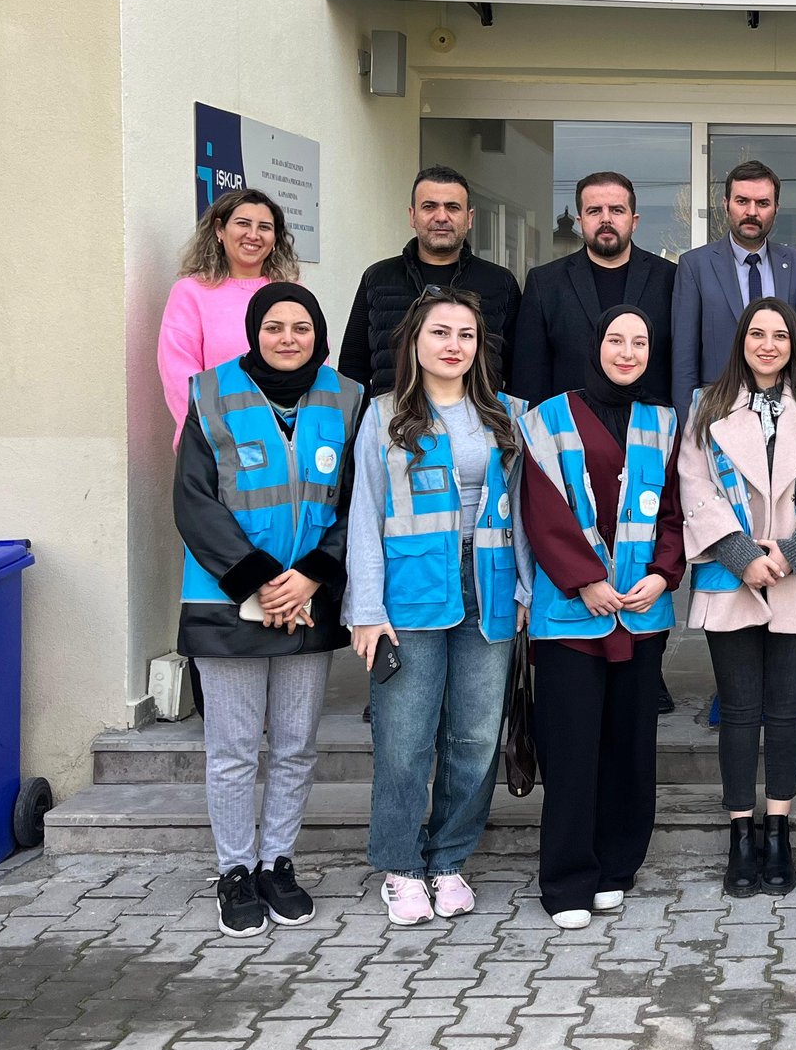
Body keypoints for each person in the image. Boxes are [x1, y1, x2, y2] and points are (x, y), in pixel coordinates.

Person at [173, 283, 364, 937]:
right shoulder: (211, 394)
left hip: (307, 599)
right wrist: (258, 582)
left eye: (301, 327)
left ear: (320, 335)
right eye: (275, 327)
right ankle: (234, 871)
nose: (288, 338)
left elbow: (358, 501)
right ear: (255, 332)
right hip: (227, 601)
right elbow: (194, 500)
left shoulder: (347, 398)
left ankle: (278, 863)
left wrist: (309, 577)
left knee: (294, 746)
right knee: (232, 750)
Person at [345, 290, 533, 927]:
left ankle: (449, 859)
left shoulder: (507, 414)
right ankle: (401, 867)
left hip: (489, 588)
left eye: (466, 335)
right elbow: (365, 515)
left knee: (476, 737)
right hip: (409, 594)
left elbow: (525, 511)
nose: (454, 345)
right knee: (405, 738)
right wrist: (365, 608)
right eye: (440, 332)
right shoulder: (383, 416)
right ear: (414, 342)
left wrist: (526, 589)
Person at [677, 298, 796, 899]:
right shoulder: (707, 406)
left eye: (779, 335)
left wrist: (793, 552)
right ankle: (740, 834)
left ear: (793, 343)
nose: (767, 344)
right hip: (732, 577)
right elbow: (694, 486)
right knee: (738, 710)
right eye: (757, 333)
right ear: (741, 341)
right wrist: (742, 556)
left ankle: (778, 829)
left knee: (785, 711)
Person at [520, 306, 686, 929]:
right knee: (571, 748)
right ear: (595, 346)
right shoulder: (547, 419)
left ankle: (617, 866)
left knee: (629, 745)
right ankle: (567, 880)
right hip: (571, 612)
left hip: (641, 611)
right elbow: (541, 510)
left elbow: (675, 511)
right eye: (616, 339)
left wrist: (662, 573)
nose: (627, 352)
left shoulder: (665, 422)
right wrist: (585, 579)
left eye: (639, 342)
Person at [338, 167, 521, 395]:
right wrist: (368, 416)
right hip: (392, 415)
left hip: (478, 416)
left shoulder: (500, 283)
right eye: (429, 206)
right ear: (412, 215)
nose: (441, 217)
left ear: (469, 218)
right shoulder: (377, 278)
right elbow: (352, 368)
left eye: (452, 207)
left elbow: (520, 370)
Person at [513, 171, 678, 408]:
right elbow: (530, 374)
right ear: (580, 221)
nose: (606, 219)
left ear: (634, 221)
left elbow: (680, 363)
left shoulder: (670, 279)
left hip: (651, 424)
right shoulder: (545, 283)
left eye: (617, 210)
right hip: (569, 425)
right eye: (594, 211)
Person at [159, 188, 299, 439]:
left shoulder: (292, 293)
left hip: (286, 440)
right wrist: (215, 434)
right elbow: (179, 377)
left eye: (264, 227)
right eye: (243, 223)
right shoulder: (191, 292)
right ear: (219, 230)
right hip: (216, 441)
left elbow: (316, 363)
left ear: (275, 238)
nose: (253, 235)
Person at [672, 160, 796, 414]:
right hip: (717, 412)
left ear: (776, 208)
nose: (751, 212)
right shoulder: (695, 266)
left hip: (786, 413)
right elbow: (684, 358)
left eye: (763, 203)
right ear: (726, 204)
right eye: (742, 201)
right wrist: (688, 420)